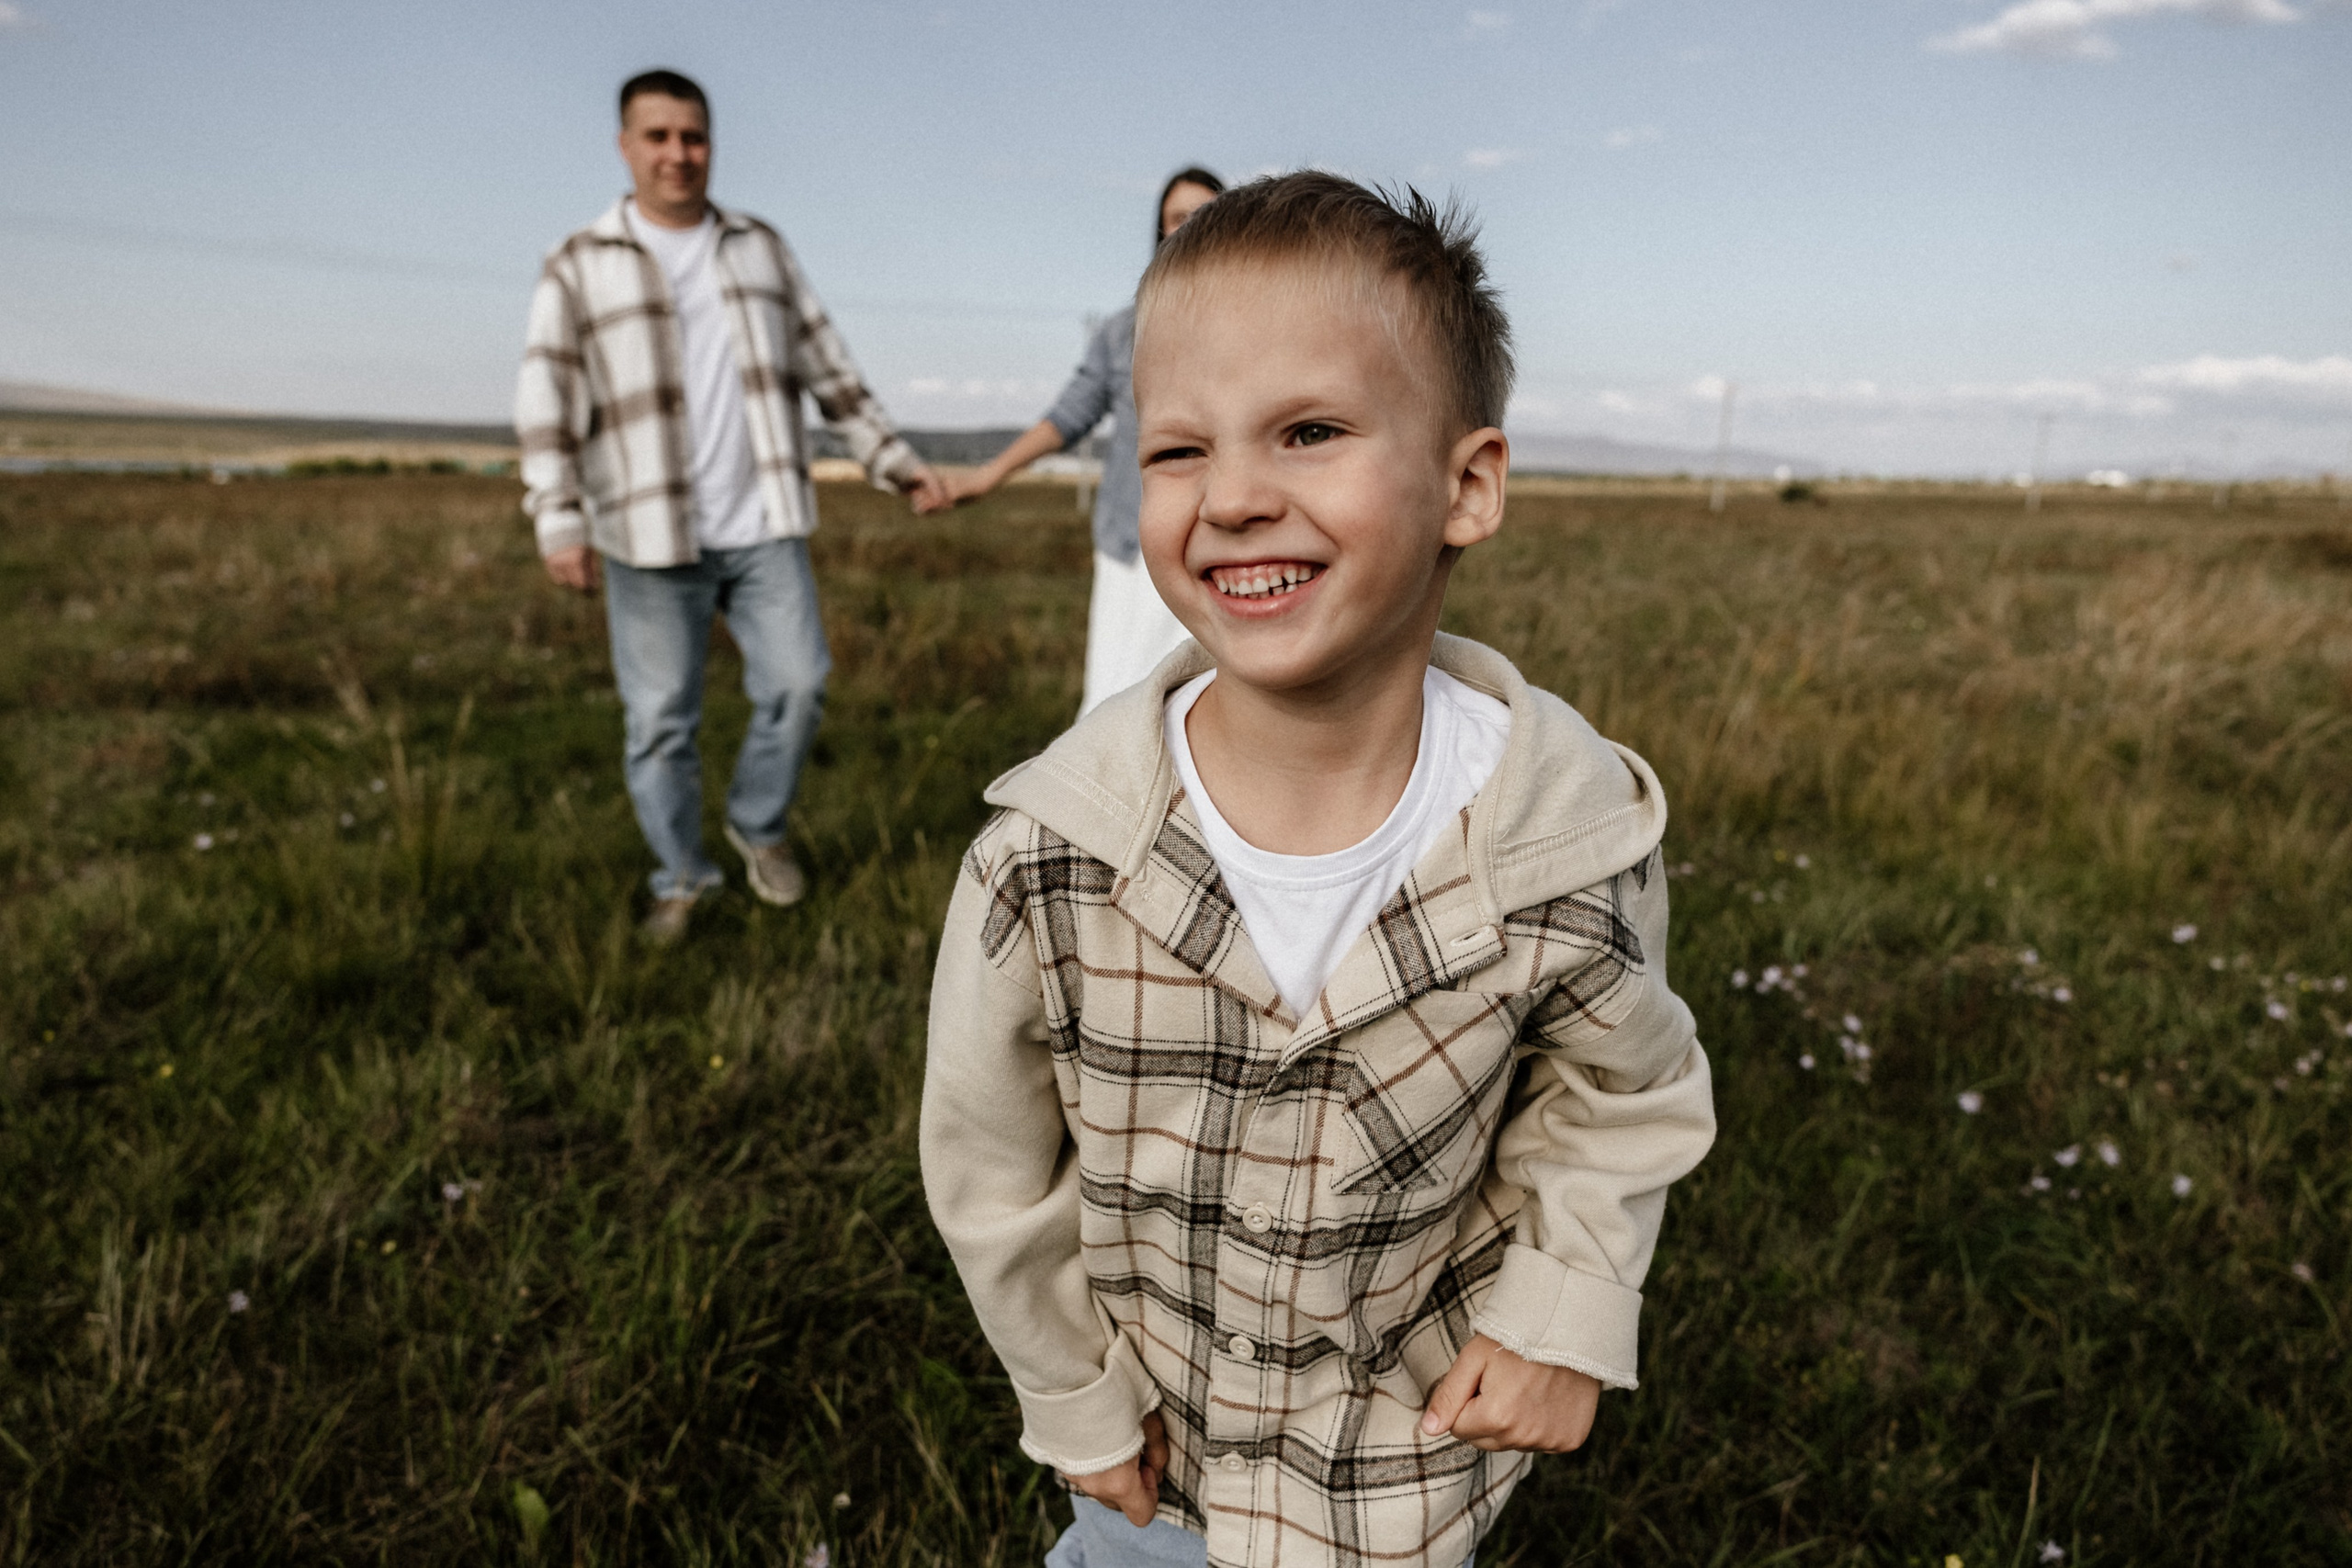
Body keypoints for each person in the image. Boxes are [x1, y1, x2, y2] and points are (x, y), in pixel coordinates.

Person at [919, 173, 1717, 1568]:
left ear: (1467, 484)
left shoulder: (1559, 844)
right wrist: (1071, 1392)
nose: (1232, 497)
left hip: (1397, 1481)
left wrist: (1562, 1311)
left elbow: (1621, 1092)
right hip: (1152, 1472)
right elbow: (990, 1163)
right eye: (1177, 451)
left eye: (1310, 430)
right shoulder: (1048, 863)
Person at [515, 69, 951, 942]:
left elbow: (830, 368)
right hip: (647, 533)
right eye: (659, 137)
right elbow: (546, 397)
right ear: (626, 146)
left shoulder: (759, 247)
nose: (679, 154)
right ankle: (680, 873)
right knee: (659, 723)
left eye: (694, 136)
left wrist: (894, 463)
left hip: (763, 524)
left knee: (798, 683)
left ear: (711, 143)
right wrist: (557, 516)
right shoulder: (579, 262)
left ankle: (757, 825)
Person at [946, 168, 1224, 716]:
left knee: (1209, 712)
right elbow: (1069, 416)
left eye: (1205, 217)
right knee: (1116, 705)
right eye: (1176, 219)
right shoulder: (1123, 332)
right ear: (1159, 234)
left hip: (1222, 545)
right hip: (1134, 544)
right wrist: (987, 476)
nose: (1188, 229)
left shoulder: (1262, 329)